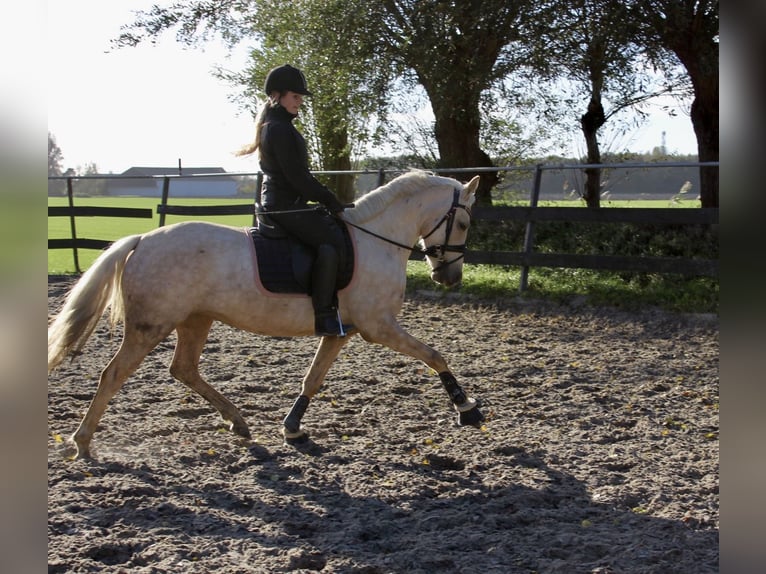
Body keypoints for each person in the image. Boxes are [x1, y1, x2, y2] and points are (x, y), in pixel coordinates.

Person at [237, 64, 351, 337]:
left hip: (286, 202)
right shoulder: (278, 129)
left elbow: (298, 178)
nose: (300, 102)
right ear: (277, 96)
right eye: (295, 97)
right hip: (283, 206)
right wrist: (331, 201)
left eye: (301, 98)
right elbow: (298, 177)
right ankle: (324, 316)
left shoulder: (278, 125)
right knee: (330, 242)